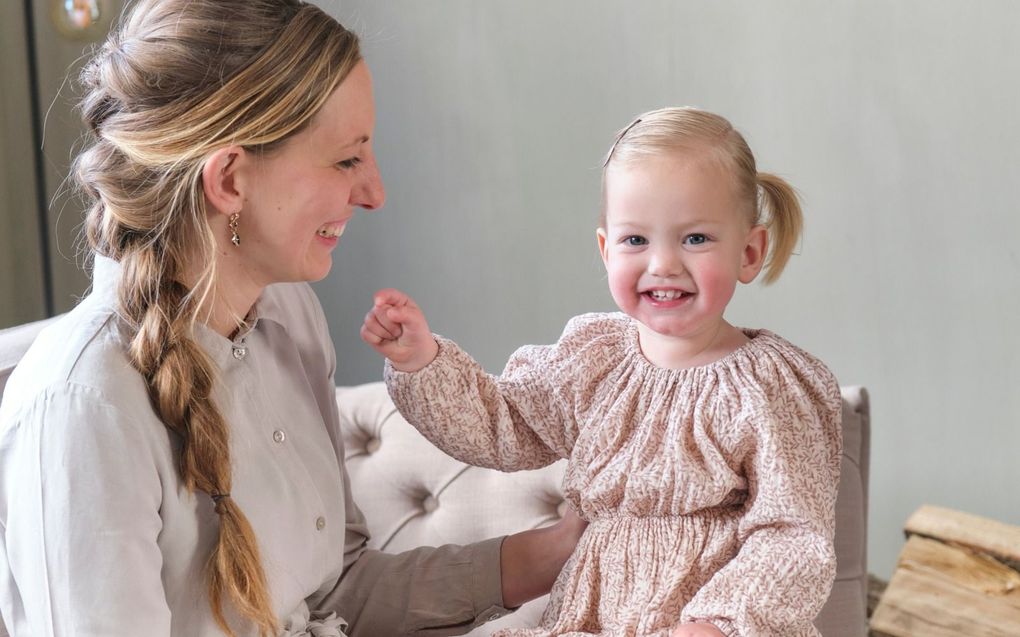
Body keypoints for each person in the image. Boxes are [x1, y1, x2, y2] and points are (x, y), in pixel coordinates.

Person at [0, 1, 587, 636]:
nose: (374, 192)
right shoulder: (85, 406)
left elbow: (339, 592)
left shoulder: (288, 318)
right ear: (229, 179)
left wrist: (550, 555)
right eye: (346, 159)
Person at [361, 107, 844, 637]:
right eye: (636, 240)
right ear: (605, 249)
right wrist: (421, 360)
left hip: (712, 624)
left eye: (696, 239)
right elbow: (503, 426)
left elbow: (792, 534)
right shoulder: (594, 360)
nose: (663, 264)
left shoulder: (770, 387)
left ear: (749, 252)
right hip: (590, 618)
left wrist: (718, 624)